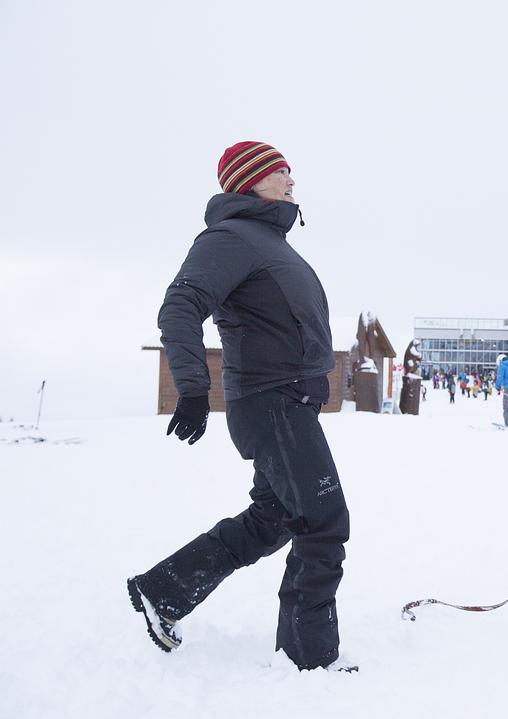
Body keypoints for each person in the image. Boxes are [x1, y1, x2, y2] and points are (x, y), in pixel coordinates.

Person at [128, 142, 353, 672]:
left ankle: (164, 591)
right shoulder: (229, 238)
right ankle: (311, 660)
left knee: (275, 519)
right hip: (272, 402)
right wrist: (191, 387)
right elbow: (180, 305)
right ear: (248, 181)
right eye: (280, 171)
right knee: (323, 524)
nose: (291, 179)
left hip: (289, 403)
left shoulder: (268, 242)